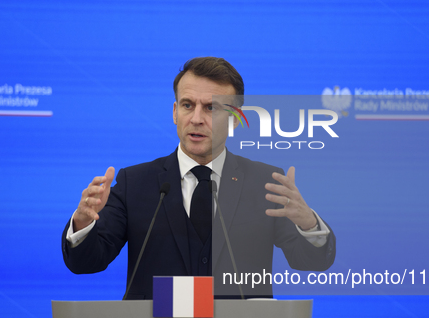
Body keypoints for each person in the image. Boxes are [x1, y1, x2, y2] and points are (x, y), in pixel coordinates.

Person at [62, 57, 335, 299]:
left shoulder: (265, 183)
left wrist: (309, 225)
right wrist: (84, 223)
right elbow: (86, 262)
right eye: (187, 105)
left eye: (211, 108)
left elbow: (311, 262)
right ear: (174, 112)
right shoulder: (135, 182)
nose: (196, 118)